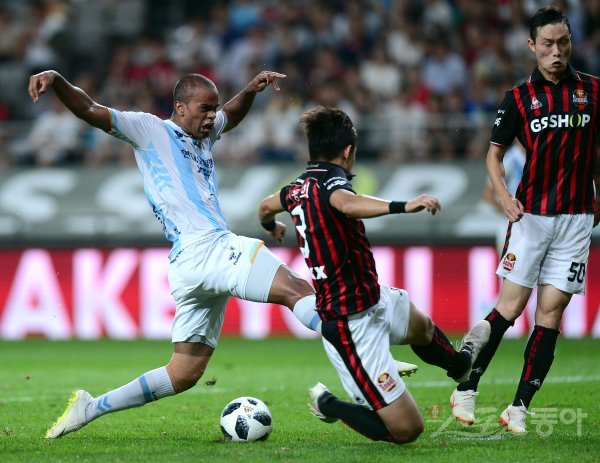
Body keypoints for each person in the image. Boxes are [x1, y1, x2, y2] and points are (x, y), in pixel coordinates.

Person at [29, 69, 323, 438]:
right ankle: (357, 349)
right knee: (297, 290)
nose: (212, 116)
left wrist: (250, 89)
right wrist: (57, 80)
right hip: (209, 246)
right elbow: (89, 109)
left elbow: (232, 114)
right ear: (180, 108)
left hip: (188, 264)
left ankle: (91, 407)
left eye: (213, 108)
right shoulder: (150, 130)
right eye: (204, 109)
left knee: (183, 373)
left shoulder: (204, 132)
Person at [257, 106, 491, 444]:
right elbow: (347, 204)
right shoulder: (334, 183)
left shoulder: (295, 188)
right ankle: (329, 403)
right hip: (351, 325)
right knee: (407, 429)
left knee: (422, 328)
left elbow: (265, 207)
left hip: (371, 296)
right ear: (348, 151)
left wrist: (271, 226)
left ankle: (459, 366)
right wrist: (404, 205)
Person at [450, 5, 600, 434]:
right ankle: (467, 386)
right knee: (511, 308)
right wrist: (504, 197)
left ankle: (519, 406)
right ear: (532, 46)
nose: (557, 52)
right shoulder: (518, 98)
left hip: (576, 220)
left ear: (571, 42)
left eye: (563, 42)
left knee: (550, 314)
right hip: (532, 216)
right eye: (548, 44)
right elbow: (493, 155)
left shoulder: (593, 90)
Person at [481, 142, 526, 255]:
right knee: (510, 263)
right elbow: (488, 194)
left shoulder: (538, 156)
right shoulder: (508, 160)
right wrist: (508, 209)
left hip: (534, 223)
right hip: (510, 226)